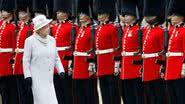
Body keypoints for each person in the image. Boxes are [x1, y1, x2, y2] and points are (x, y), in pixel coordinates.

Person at [23, 15, 65, 104]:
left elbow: (56, 58)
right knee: (41, 101)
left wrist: (61, 70)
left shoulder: (52, 40)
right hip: (36, 78)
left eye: (48, 25)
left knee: (52, 101)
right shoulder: (30, 41)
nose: (48, 28)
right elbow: (26, 60)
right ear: (39, 29)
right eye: (45, 27)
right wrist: (28, 75)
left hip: (49, 78)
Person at [93, 0, 121, 103]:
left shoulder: (112, 28)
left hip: (110, 63)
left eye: (101, 13)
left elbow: (116, 48)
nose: (99, 16)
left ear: (108, 15)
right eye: (99, 14)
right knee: (104, 91)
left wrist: (116, 65)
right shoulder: (98, 28)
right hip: (101, 64)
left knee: (112, 91)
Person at [72, 0, 98, 104]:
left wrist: (92, 65)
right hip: (78, 66)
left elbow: (94, 49)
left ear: (89, 15)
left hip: (87, 66)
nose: (80, 16)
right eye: (80, 14)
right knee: (80, 94)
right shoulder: (79, 29)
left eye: (83, 14)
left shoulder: (92, 29)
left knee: (90, 94)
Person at [119, 0, 144, 104]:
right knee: (128, 95)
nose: (125, 17)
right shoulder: (126, 30)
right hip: (126, 67)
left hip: (135, 68)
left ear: (135, 15)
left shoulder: (139, 30)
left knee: (137, 95)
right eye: (125, 15)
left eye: (128, 15)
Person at [142, 0, 166, 104]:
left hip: (156, 67)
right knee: (150, 96)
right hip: (147, 68)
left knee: (159, 95)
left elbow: (163, 51)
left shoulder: (160, 31)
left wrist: (162, 67)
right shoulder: (146, 30)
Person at [52, 0, 74, 104]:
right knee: (57, 91)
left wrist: (70, 65)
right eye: (57, 12)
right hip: (55, 63)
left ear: (66, 13)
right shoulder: (54, 27)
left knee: (67, 91)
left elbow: (72, 46)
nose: (57, 14)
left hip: (65, 62)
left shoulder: (72, 27)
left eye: (59, 12)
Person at [164, 0, 185, 104]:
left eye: (173, 15)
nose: (171, 17)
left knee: (181, 97)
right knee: (172, 98)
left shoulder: (183, 31)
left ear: (182, 16)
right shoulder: (171, 30)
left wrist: (183, 69)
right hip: (170, 69)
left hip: (178, 69)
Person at [13, 0, 33, 104]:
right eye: (19, 13)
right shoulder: (19, 27)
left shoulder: (32, 27)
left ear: (28, 13)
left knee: (28, 89)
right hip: (18, 61)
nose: (21, 15)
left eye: (23, 13)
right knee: (21, 90)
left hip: (27, 61)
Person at [0, 0, 19, 104]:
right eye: (1, 11)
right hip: (1, 61)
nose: (2, 13)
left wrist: (13, 62)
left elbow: (15, 46)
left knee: (11, 87)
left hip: (8, 61)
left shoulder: (13, 27)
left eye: (4, 11)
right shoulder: (1, 25)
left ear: (11, 13)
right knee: (3, 89)